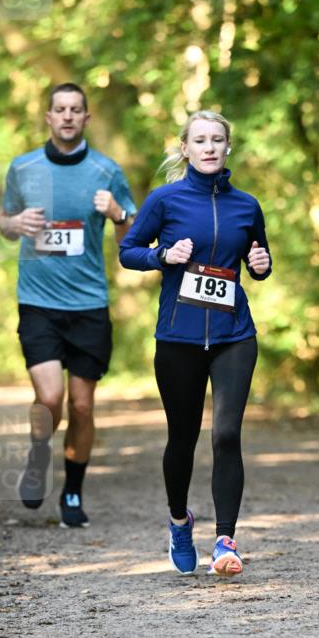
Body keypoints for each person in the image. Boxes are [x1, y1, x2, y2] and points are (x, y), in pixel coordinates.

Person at [119, 110, 271, 576]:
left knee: (226, 434)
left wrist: (262, 264)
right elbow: (128, 251)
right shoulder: (164, 201)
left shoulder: (246, 205)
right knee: (182, 439)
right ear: (185, 148)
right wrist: (163, 255)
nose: (209, 147)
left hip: (234, 335)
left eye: (217, 140)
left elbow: (258, 260)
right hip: (178, 337)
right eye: (200, 140)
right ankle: (180, 520)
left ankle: (226, 541)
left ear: (228, 148)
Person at [0, 82, 136, 527]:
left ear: (87, 118)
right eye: (60, 109)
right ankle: (39, 454)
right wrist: (15, 222)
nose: (69, 116)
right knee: (50, 397)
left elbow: (128, 242)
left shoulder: (106, 171)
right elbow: (3, 222)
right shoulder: (23, 167)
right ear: (48, 117)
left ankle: (72, 492)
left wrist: (117, 213)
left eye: (77, 110)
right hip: (37, 301)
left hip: (89, 304)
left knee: (81, 406)